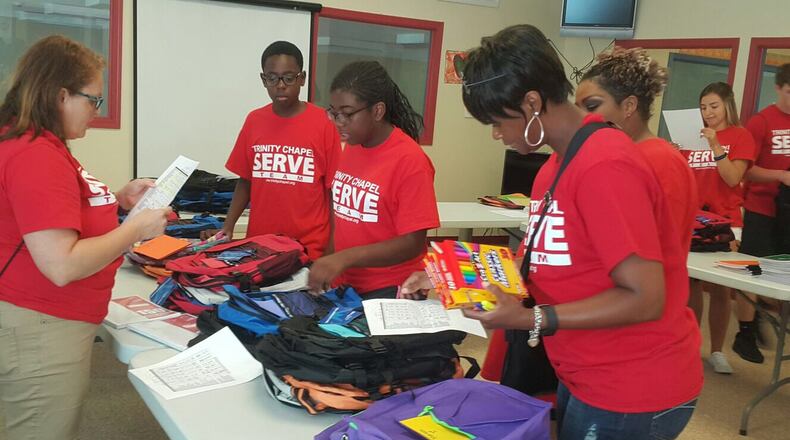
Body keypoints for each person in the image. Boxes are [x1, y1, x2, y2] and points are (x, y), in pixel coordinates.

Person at [459, 25, 701, 439]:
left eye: (498, 122)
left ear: (532, 103)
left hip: (632, 383)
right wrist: (448, 273)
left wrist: (531, 318)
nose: (497, 134)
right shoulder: (554, 165)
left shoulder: (606, 165)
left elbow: (645, 298)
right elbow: (542, 261)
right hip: (581, 370)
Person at [0, 36, 169, 440]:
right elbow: (62, 264)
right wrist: (134, 229)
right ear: (61, 95)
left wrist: (118, 199)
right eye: (94, 100)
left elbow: (53, 212)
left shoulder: (40, 143)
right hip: (43, 326)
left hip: (44, 320)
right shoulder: (35, 154)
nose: (97, 111)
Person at [307, 61, 439, 297]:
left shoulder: (411, 161)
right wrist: (329, 258)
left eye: (347, 114)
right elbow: (342, 213)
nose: (338, 122)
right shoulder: (353, 145)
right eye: (334, 113)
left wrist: (345, 258)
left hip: (392, 289)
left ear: (377, 111)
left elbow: (413, 243)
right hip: (347, 284)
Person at [223, 41, 341, 260]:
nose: (280, 85)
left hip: (309, 250)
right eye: (272, 78)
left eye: (288, 77)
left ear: (302, 78)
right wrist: (227, 227)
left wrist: (331, 250)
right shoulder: (254, 120)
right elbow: (246, 181)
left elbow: (333, 191)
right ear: (263, 80)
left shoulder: (324, 123)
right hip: (260, 248)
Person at [576, 47, 698, 248]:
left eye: (591, 107)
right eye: (578, 109)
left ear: (629, 106)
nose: (582, 117)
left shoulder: (662, 161)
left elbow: (655, 244)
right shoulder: (611, 155)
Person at [685, 82, 755, 373]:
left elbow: (732, 178)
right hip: (694, 222)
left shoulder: (740, 136)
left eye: (713, 106)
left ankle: (716, 350)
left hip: (726, 222)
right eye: (703, 107)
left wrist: (715, 145)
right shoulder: (693, 136)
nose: (708, 113)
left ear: (727, 105)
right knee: (691, 285)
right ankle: (691, 347)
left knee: (720, 289)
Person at [733, 63, 790, 364]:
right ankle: (744, 333)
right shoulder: (762, 122)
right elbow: (747, 170)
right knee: (753, 272)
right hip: (761, 209)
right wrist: (779, 176)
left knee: (782, 274)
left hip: (787, 212)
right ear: (778, 88)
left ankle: (767, 318)